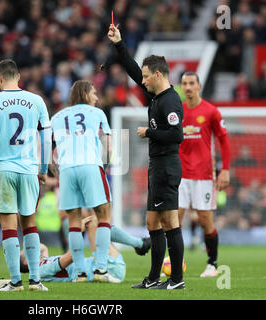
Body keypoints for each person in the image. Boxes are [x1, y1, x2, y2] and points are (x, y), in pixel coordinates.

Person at [108, 24, 185, 290]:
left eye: (146, 76)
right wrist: (119, 44)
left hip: (167, 166)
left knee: (169, 221)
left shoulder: (171, 101)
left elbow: (177, 135)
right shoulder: (154, 96)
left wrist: (149, 132)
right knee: (152, 222)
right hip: (157, 165)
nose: (142, 80)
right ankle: (153, 278)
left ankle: (176, 280)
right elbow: (131, 70)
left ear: (159, 75)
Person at [0, 59, 52, 292]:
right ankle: (35, 280)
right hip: (28, 169)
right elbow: (46, 137)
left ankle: (15, 282)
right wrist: (43, 168)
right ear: (19, 76)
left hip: (3, 169)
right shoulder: (36, 101)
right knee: (30, 224)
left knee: (8, 226)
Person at [50, 80, 115, 283]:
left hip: (67, 169)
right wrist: (102, 168)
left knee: (74, 222)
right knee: (104, 216)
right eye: (94, 93)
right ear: (86, 93)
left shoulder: (58, 116)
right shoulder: (97, 114)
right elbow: (109, 147)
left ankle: (79, 272)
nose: (97, 97)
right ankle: (101, 270)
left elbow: (49, 156)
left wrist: (59, 175)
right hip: (90, 165)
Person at [179, 72, 231, 277]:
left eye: (192, 83)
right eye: (184, 84)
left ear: (199, 86)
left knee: (204, 219)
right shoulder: (178, 112)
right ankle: (175, 261)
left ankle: (212, 264)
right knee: (174, 218)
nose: (188, 87)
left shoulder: (211, 111)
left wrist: (224, 169)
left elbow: (224, 141)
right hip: (181, 174)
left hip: (204, 175)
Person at [19, 215, 151, 283]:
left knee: (99, 223)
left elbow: (42, 248)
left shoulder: (43, 263)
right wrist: (78, 232)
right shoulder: (41, 270)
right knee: (95, 223)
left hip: (106, 268)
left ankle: (139, 244)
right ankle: (140, 244)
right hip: (106, 270)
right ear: (26, 262)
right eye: (26, 250)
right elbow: (71, 257)